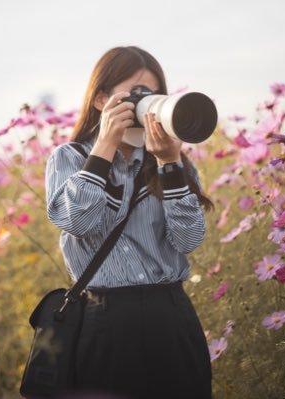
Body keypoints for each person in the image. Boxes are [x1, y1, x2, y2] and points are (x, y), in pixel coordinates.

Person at [45, 46, 213, 399]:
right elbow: (78, 221)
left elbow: (188, 240)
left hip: (171, 317)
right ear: (101, 98)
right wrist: (104, 146)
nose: (144, 103)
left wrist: (170, 164)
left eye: (151, 94)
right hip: (104, 322)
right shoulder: (69, 158)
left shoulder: (172, 161)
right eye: (134, 93)